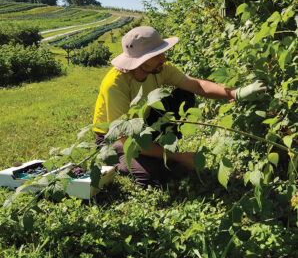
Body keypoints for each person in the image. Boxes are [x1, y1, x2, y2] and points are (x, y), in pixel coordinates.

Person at [93, 26, 266, 188]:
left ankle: (161, 150)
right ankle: (117, 160)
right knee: (151, 176)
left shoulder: (160, 68)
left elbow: (196, 86)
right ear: (140, 61)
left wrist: (236, 93)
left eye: (161, 52)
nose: (163, 58)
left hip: (142, 124)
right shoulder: (114, 85)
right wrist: (180, 157)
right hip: (113, 139)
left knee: (184, 96)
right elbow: (126, 139)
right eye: (156, 55)